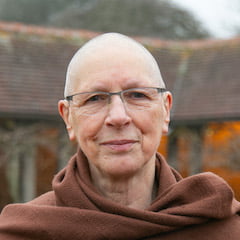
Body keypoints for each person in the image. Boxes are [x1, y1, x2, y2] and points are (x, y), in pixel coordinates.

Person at [0, 33, 240, 240]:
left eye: (137, 95)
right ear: (68, 118)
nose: (118, 117)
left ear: (165, 110)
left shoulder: (220, 229)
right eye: (95, 98)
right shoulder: (26, 232)